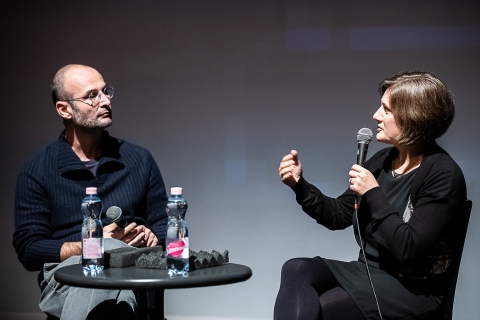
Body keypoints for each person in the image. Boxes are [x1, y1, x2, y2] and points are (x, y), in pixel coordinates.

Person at [274, 71, 467, 320]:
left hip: (412, 289)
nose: (376, 115)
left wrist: (373, 192)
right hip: (368, 272)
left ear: (413, 118)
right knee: (296, 268)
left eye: (386, 110)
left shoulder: (443, 174)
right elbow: (338, 215)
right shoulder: (381, 162)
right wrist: (299, 185)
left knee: (323, 308)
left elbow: (407, 249)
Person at [12, 64, 168, 319]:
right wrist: (94, 246)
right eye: (92, 95)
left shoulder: (139, 160)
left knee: (119, 292)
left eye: (105, 91)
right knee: (108, 286)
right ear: (64, 109)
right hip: (66, 277)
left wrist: (149, 238)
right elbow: (30, 250)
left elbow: (166, 229)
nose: (105, 100)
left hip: (130, 270)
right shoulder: (37, 170)